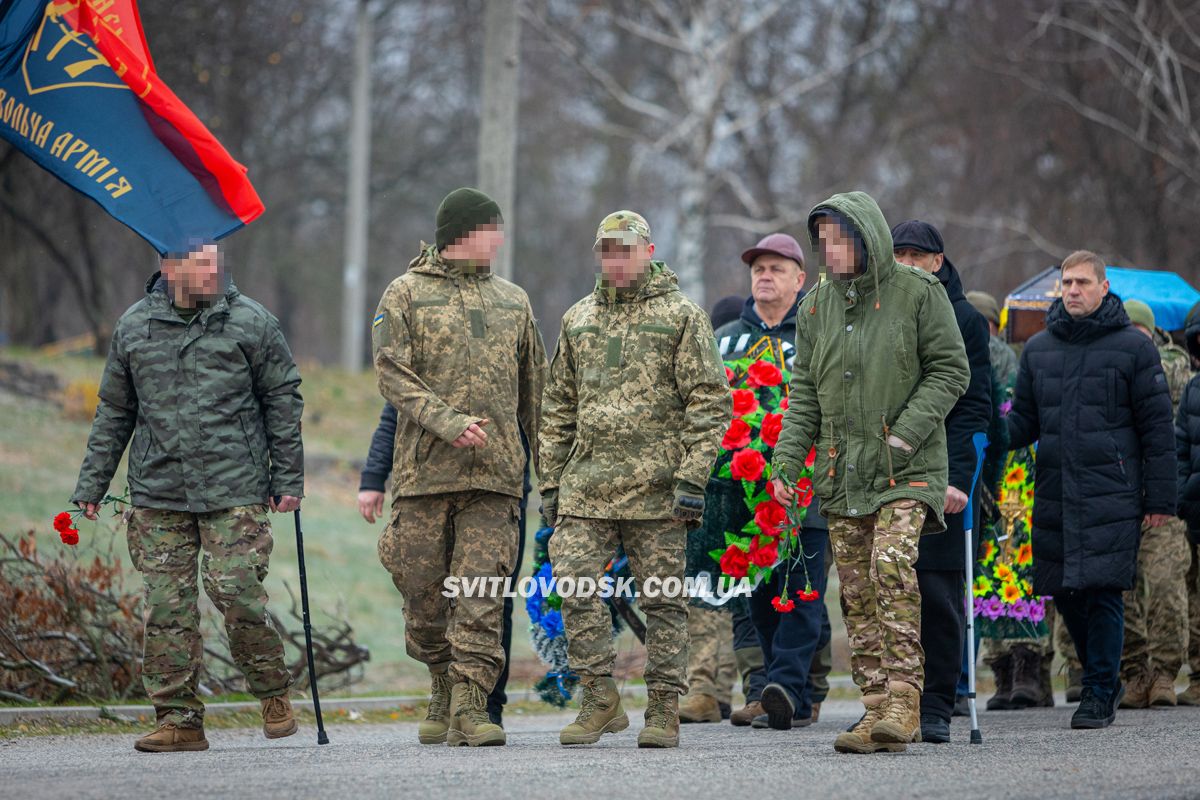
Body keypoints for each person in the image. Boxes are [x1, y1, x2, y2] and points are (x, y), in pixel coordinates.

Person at [71, 242, 304, 753]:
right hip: (159, 490)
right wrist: (92, 484)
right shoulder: (135, 326)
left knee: (236, 594)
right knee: (167, 608)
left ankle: (272, 691)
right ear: (169, 266)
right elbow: (114, 412)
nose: (212, 270)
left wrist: (288, 478)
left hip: (235, 488)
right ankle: (179, 718)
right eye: (200, 262)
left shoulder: (251, 322)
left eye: (215, 260)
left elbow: (282, 399)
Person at [770, 192, 970, 753]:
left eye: (840, 237)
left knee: (889, 563)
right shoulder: (813, 309)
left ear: (867, 237)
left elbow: (951, 369)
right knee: (856, 591)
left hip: (907, 467)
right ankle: (877, 708)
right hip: (843, 473)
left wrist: (905, 433)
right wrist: (786, 460)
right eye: (823, 240)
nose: (830, 249)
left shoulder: (918, 292)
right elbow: (804, 393)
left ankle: (907, 699)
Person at [541, 210, 729, 748]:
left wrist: (692, 478)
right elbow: (558, 405)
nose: (616, 260)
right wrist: (551, 483)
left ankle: (664, 707)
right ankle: (599, 697)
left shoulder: (681, 316)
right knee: (574, 585)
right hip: (586, 487)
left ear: (647, 252)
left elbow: (710, 400)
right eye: (607, 250)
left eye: (626, 249)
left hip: (660, 492)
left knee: (665, 600)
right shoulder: (577, 319)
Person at [371, 187, 547, 747]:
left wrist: (552, 478)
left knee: (481, 594)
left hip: (495, 480)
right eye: (492, 229)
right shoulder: (404, 294)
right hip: (424, 476)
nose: (500, 240)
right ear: (462, 235)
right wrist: (447, 422)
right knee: (423, 594)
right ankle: (442, 681)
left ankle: (473, 707)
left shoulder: (513, 300)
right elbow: (390, 373)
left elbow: (536, 394)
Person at [1006, 251, 1176, 729]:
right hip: (1056, 489)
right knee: (1064, 591)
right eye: (1067, 282)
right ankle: (1106, 678)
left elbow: (1157, 429)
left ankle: (1100, 690)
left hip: (1112, 492)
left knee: (1102, 590)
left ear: (1104, 288)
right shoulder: (1038, 349)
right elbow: (1024, 421)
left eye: (1083, 282)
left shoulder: (1134, 349)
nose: (1074, 290)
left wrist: (1160, 499)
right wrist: (987, 431)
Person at [710, 232, 831, 731]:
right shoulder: (724, 341)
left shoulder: (819, 334)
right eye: (758, 267)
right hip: (746, 497)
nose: (764, 275)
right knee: (759, 598)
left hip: (808, 491)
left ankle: (782, 686)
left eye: (777, 268)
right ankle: (785, 695)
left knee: (803, 593)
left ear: (800, 280)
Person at [356, 401, 531, 725]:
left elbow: (533, 413)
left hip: (498, 488)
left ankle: (484, 705)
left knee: (488, 600)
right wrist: (372, 478)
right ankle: (445, 688)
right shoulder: (428, 354)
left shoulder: (509, 349)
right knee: (430, 596)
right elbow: (394, 414)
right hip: (427, 487)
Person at [892, 221, 992, 743]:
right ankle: (893, 699)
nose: (907, 262)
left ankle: (937, 702)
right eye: (899, 254)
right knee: (888, 588)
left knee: (936, 589)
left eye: (917, 254)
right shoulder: (879, 311)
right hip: (886, 472)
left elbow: (974, 406)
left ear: (938, 260)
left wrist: (955, 478)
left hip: (941, 472)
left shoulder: (965, 319)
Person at [1117, 300, 1191, 707]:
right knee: (1121, 592)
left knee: (1165, 585)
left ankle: (1164, 673)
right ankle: (1136, 672)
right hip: (1119, 495)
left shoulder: (1172, 365)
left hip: (1162, 494)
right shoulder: (1109, 360)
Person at [1176, 300, 1200, 705]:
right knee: (1194, 599)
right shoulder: (1194, 388)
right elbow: (1180, 447)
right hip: (1196, 507)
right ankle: (1198, 676)